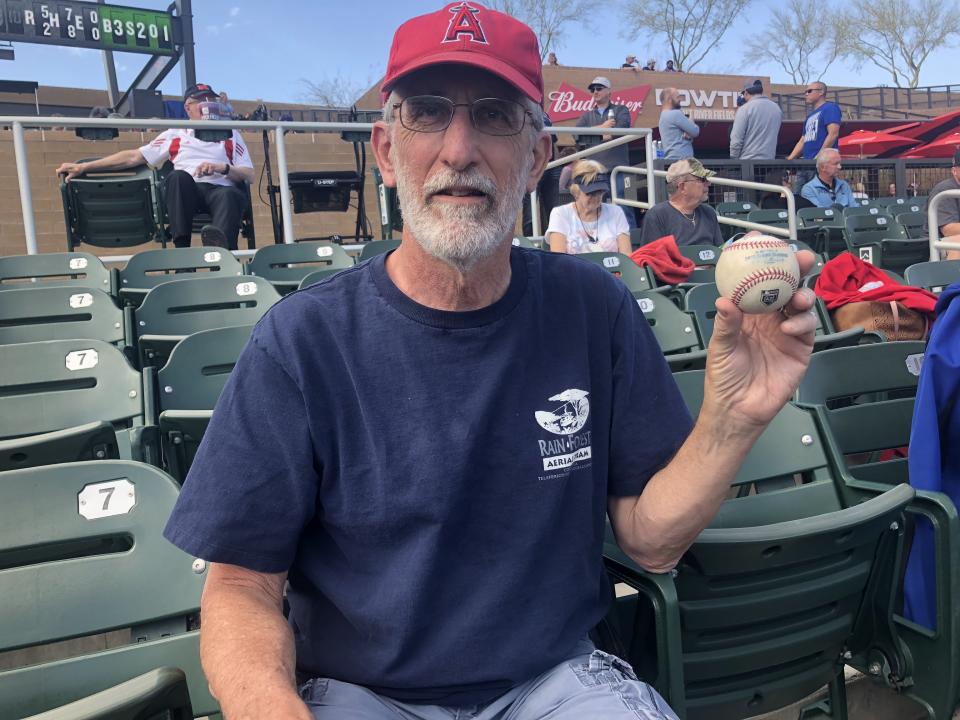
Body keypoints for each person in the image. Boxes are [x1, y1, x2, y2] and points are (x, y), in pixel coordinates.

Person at [161, 5, 817, 720]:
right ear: (385, 151)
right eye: (429, 112)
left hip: (554, 684)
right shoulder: (301, 342)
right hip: (361, 695)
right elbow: (240, 586)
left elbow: (649, 544)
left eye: (496, 116)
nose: (459, 149)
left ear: (537, 159)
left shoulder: (593, 310)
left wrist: (732, 418)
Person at [57, 83, 254, 250]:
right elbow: (134, 157)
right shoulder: (176, 133)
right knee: (178, 177)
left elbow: (249, 174)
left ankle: (221, 256)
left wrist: (223, 168)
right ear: (189, 107)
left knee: (230, 195)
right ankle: (183, 252)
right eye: (203, 101)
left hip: (221, 189)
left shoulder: (231, 133)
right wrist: (85, 167)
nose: (209, 105)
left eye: (211, 100)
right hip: (188, 189)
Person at [575, 75, 636, 228]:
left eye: (599, 88)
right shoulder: (586, 116)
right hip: (594, 172)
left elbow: (622, 129)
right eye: (592, 89)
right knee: (594, 209)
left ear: (609, 91)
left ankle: (632, 247)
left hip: (619, 169)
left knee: (625, 208)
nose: (595, 92)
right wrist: (603, 129)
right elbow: (576, 135)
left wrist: (592, 134)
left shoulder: (621, 109)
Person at [546, 159, 631, 254]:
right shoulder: (560, 214)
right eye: (590, 193)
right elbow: (559, 260)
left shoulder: (616, 212)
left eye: (600, 192)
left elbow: (626, 258)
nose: (596, 197)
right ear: (576, 190)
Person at [639, 158, 724, 247]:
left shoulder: (709, 212)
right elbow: (651, 258)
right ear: (683, 187)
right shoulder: (657, 215)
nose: (709, 183)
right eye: (702, 180)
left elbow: (720, 252)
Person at [786, 81, 841, 162]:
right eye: (805, 92)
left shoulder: (830, 108)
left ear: (821, 92)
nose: (806, 94)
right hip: (808, 163)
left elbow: (833, 134)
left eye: (809, 91)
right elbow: (802, 141)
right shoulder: (809, 117)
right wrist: (789, 159)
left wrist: (819, 157)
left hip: (824, 163)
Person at [729, 79, 783, 160]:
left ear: (746, 93)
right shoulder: (777, 108)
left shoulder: (745, 109)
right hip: (769, 162)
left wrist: (734, 160)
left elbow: (736, 140)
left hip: (747, 163)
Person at [927, 149, 960, 259]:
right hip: (935, 242)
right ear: (954, 170)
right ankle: (952, 276)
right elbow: (948, 230)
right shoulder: (945, 189)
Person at [658, 87, 699, 160]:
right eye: (677, 97)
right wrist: (691, 122)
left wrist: (688, 135)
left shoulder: (662, 117)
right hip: (683, 161)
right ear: (670, 100)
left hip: (671, 160)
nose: (680, 99)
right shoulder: (676, 114)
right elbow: (695, 131)